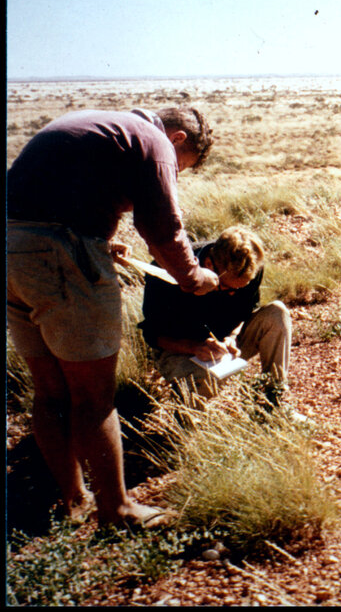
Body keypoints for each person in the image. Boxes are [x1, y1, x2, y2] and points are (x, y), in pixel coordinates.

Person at [7, 107, 219, 528]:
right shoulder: (156, 142)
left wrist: (102, 240)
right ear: (177, 139)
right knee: (93, 397)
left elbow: (64, 194)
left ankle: (72, 500)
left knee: (50, 392)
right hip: (61, 254)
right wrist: (195, 277)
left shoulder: (102, 124)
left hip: (13, 251)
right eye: (183, 167)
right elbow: (161, 225)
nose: (176, 172)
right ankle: (117, 510)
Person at [138, 226, 303, 421]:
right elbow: (152, 335)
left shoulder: (249, 271)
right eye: (226, 287)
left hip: (223, 347)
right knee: (199, 394)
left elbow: (246, 313)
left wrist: (232, 338)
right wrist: (195, 347)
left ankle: (274, 403)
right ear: (209, 265)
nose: (233, 294)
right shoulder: (166, 270)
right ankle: (184, 423)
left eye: (239, 289)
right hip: (179, 350)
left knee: (277, 314)